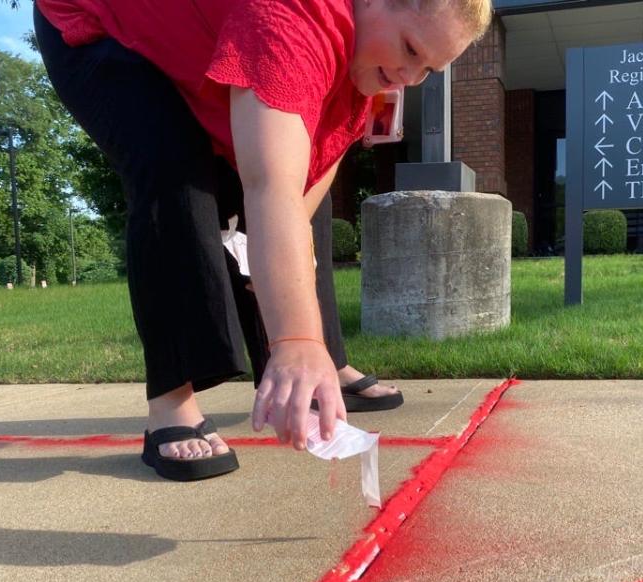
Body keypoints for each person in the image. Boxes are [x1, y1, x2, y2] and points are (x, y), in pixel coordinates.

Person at [33, 0, 491, 480]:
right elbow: (269, 184)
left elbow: (307, 179)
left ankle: (323, 365)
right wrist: (294, 339)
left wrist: (263, 258)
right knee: (173, 163)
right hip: (96, 21)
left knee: (286, 205)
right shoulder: (286, 22)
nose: (409, 77)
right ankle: (171, 402)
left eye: (428, 69)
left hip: (201, 40)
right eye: (411, 49)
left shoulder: (366, 62)